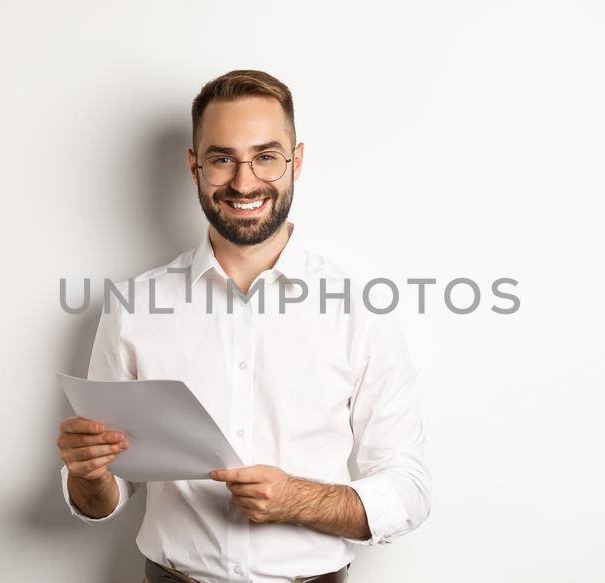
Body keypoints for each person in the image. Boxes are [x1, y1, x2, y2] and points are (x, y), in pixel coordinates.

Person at [56, 70, 431, 583]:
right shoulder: (133, 306)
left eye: (266, 157)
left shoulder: (359, 309)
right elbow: (108, 493)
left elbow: (409, 490)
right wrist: (88, 475)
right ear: (195, 166)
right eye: (222, 158)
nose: (244, 181)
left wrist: (300, 500)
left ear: (296, 162)